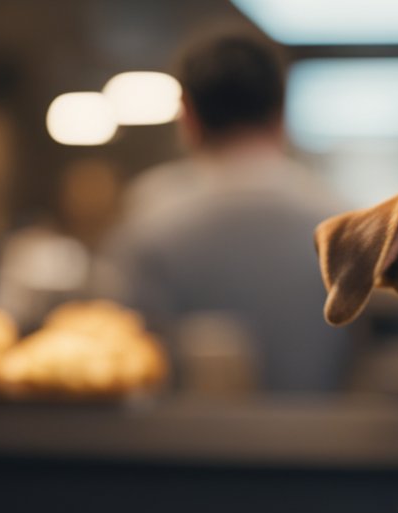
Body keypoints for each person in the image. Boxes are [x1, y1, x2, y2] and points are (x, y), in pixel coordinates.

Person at [108, 26, 350, 394]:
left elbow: (121, 350)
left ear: (187, 116)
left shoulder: (149, 215)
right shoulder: (338, 220)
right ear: (281, 112)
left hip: (174, 446)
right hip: (318, 444)